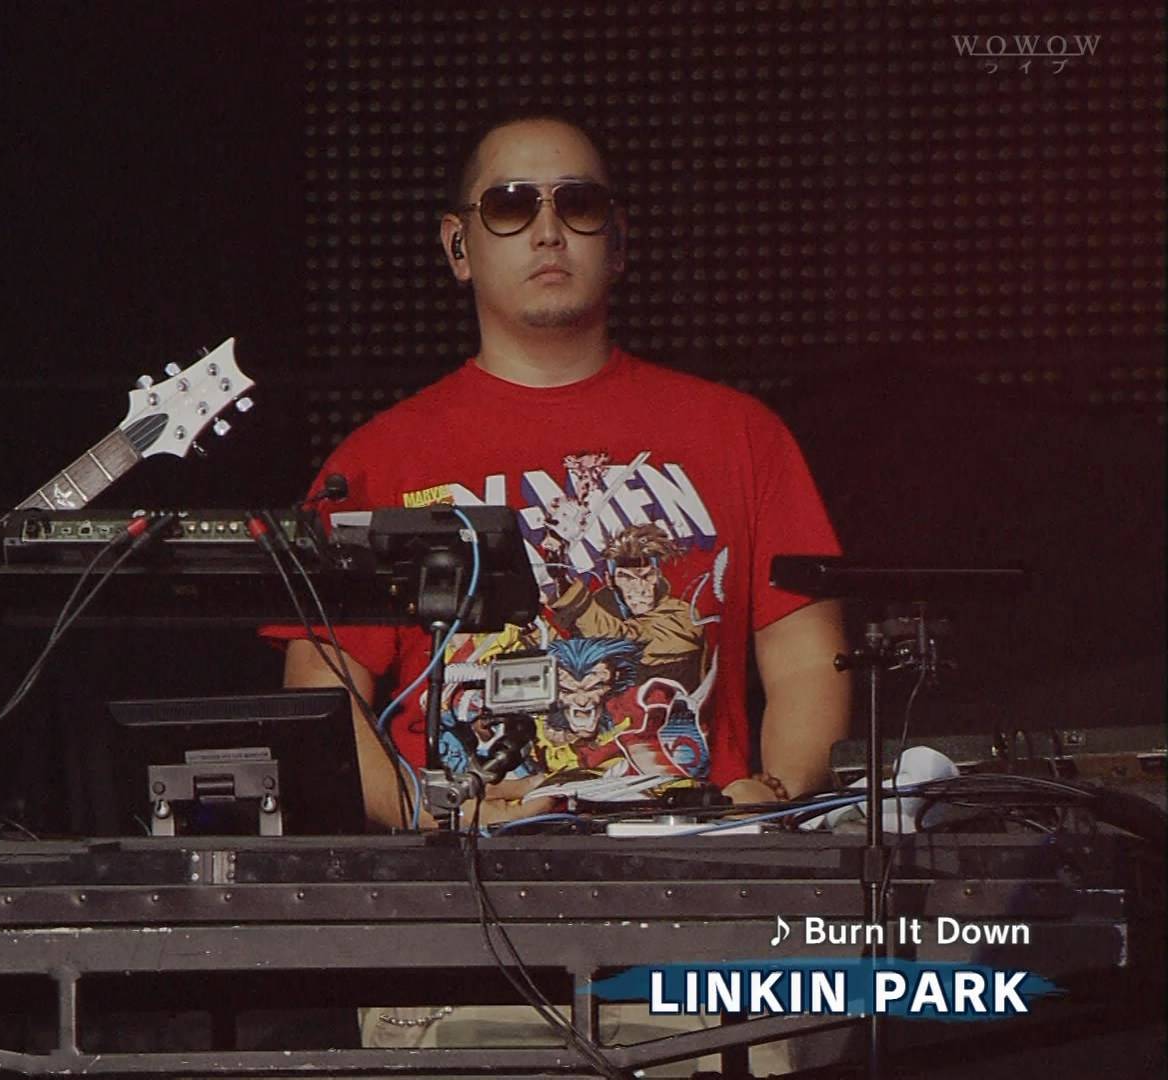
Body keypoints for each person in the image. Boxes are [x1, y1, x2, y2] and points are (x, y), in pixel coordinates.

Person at [276, 110, 850, 826]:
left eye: (578, 203)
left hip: (697, 852)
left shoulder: (740, 433)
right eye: (509, 206)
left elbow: (808, 659)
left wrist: (774, 798)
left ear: (618, 241)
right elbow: (321, 686)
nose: (548, 231)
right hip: (465, 867)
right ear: (458, 245)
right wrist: (429, 815)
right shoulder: (375, 460)